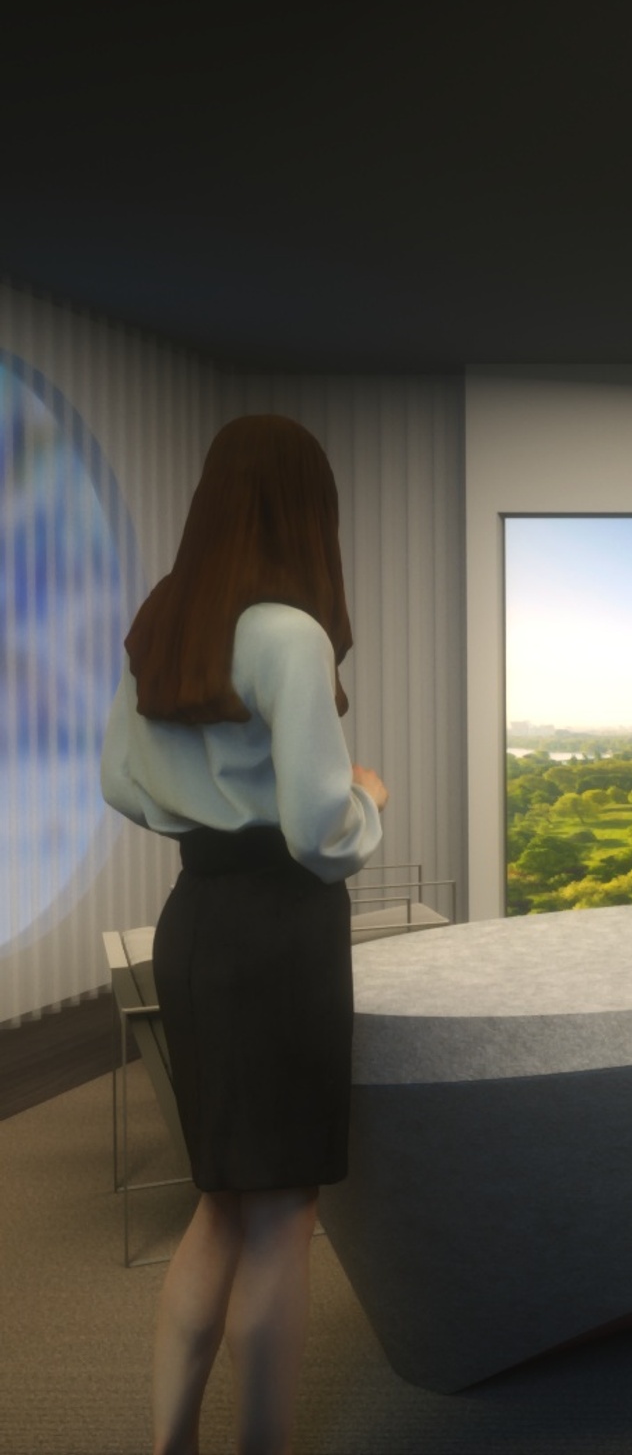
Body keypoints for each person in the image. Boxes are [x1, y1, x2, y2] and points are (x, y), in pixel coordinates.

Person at [101, 415, 387, 1455]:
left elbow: (117, 784)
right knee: (283, 1217)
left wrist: (201, 805)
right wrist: (368, 795)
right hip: (279, 934)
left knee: (218, 1203)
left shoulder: (160, 621)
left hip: (193, 924)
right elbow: (320, 833)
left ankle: (171, 1443)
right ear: (310, 512)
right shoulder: (290, 633)